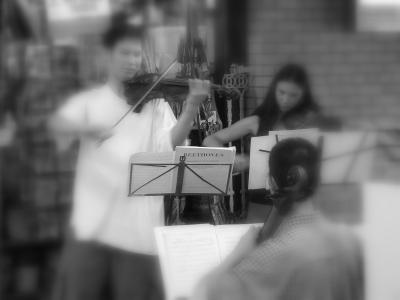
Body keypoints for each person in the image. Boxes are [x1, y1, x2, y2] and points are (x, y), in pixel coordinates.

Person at [49, 20, 209, 300]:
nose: (133, 60)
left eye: (137, 54)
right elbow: (56, 124)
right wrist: (85, 129)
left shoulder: (155, 102)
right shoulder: (91, 100)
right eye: (125, 53)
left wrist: (192, 106)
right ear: (107, 55)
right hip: (92, 225)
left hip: (137, 228)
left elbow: (170, 143)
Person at [193, 138, 364, 300]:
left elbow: (204, 292)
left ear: (272, 183)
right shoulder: (351, 241)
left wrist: (238, 253)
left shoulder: (276, 253)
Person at [203, 63, 320, 169]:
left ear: (303, 96)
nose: (285, 100)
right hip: (263, 192)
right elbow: (210, 140)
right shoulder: (258, 120)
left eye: (293, 95)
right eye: (281, 92)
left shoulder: (312, 120)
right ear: (274, 90)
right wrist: (231, 158)